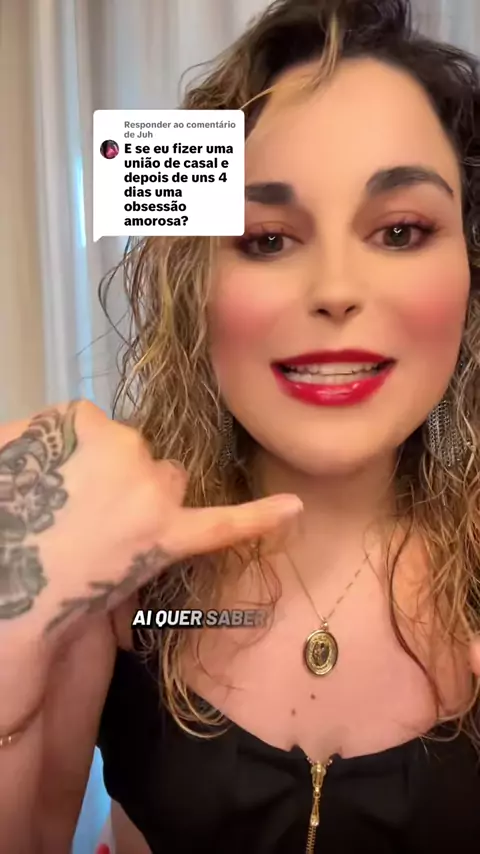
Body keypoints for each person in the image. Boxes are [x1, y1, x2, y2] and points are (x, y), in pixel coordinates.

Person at [2, 0, 480, 851]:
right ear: (197, 286)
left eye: (401, 230)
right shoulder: (125, 586)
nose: (335, 290)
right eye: (266, 240)